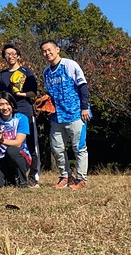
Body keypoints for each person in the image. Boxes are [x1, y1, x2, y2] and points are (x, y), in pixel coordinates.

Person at [40, 40, 91, 190]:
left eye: (49, 50)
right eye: (44, 51)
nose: (47, 53)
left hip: (76, 113)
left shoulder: (70, 65)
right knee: (57, 148)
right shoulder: (46, 72)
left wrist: (84, 107)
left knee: (79, 148)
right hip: (57, 116)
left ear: (57, 49)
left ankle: (81, 179)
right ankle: (66, 176)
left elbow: (83, 85)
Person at [0, 43, 40, 187]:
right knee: (11, 143)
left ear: (19, 56)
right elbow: (1, 95)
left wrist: (20, 93)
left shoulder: (26, 72)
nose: (11, 56)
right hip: (9, 114)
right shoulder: (2, 74)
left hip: (25, 110)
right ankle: (14, 174)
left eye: (13, 53)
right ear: (4, 57)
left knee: (31, 144)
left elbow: (34, 93)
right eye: (7, 54)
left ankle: (34, 176)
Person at [0, 92, 32, 188]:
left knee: (12, 150)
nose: (4, 108)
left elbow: (18, 143)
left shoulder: (21, 118)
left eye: (7, 104)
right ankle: (10, 179)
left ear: (12, 104)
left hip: (20, 157)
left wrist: (1, 140)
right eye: (1, 104)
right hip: (0, 158)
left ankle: (23, 182)